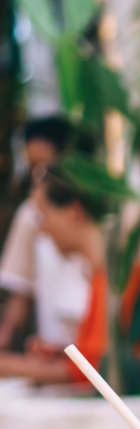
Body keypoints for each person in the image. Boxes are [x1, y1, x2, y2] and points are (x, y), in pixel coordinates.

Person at [0, 166, 140, 386]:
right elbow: (97, 360)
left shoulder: (118, 281)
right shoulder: (103, 277)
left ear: (74, 211)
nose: (43, 229)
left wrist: (8, 366)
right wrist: (62, 353)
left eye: (44, 215)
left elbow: (97, 371)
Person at [0, 116, 89, 351]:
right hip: (60, 356)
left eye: (46, 165)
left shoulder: (105, 214)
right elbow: (20, 290)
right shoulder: (29, 214)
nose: (38, 176)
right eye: (32, 168)